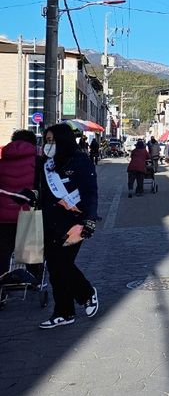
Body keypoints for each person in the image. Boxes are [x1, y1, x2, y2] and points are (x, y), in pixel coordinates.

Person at [14, 123, 99, 329]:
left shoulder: (79, 161)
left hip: (73, 223)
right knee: (55, 268)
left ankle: (87, 293)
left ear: (63, 140)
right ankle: (64, 312)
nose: (48, 145)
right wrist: (27, 195)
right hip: (48, 222)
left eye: (52, 140)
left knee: (62, 264)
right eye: (46, 141)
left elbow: (89, 192)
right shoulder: (44, 163)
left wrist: (89, 219)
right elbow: (38, 190)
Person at [0, 130, 43, 282]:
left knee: (3, 252)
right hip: (27, 212)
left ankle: (2, 283)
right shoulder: (38, 162)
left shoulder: (2, 160)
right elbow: (40, 187)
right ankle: (33, 279)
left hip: (3, 216)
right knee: (30, 251)